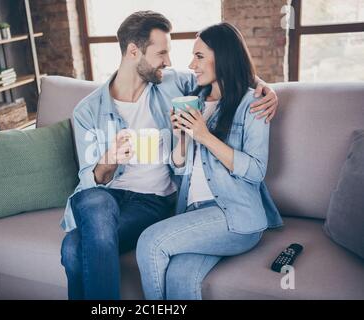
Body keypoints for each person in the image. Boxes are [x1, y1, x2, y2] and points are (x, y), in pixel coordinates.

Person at [60, 12, 279, 300]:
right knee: (90, 203)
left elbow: (228, 70)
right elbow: (91, 179)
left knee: (73, 248)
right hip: (109, 199)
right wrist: (108, 162)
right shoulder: (87, 111)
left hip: (153, 203)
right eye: (161, 52)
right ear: (133, 51)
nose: (169, 61)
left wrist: (266, 88)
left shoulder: (173, 84)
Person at [135, 22, 284, 300]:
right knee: (180, 276)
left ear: (224, 56)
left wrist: (204, 136)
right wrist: (181, 136)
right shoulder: (195, 101)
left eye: (200, 56)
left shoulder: (253, 104)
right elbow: (178, 168)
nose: (192, 64)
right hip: (194, 214)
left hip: (235, 215)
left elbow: (255, 171)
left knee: (150, 242)